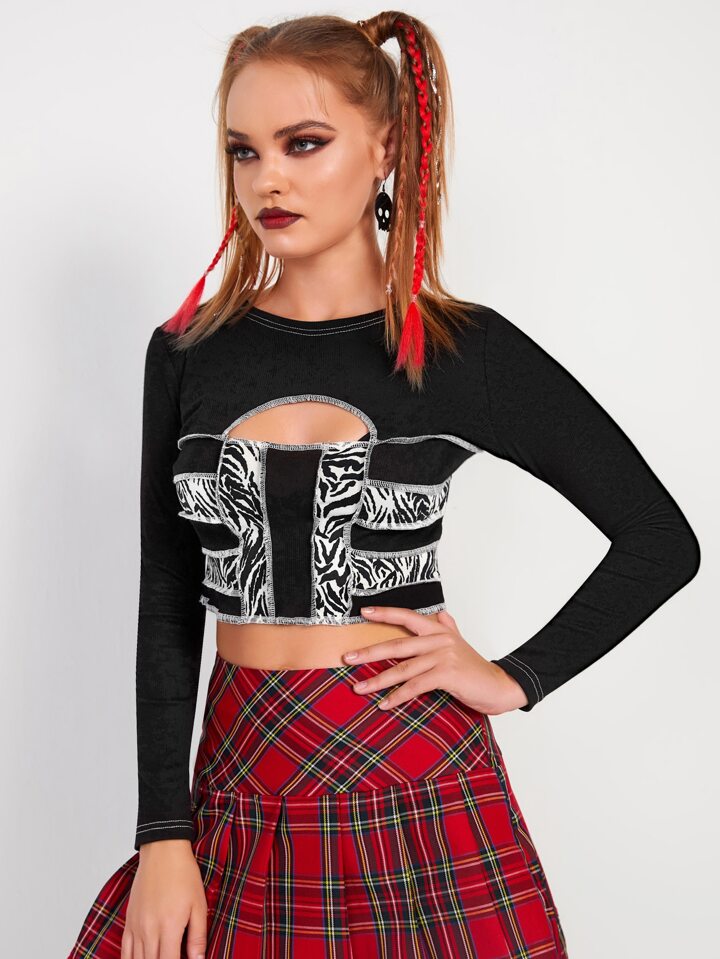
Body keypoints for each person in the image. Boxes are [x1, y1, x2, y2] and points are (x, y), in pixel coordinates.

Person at [66, 12, 700, 959]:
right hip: (241, 769)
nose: (267, 179)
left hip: (413, 772)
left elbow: (660, 539)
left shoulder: (464, 351)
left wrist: (516, 676)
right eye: (244, 150)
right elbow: (168, 596)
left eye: (303, 143)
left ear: (388, 148)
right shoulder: (188, 352)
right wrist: (162, 831)